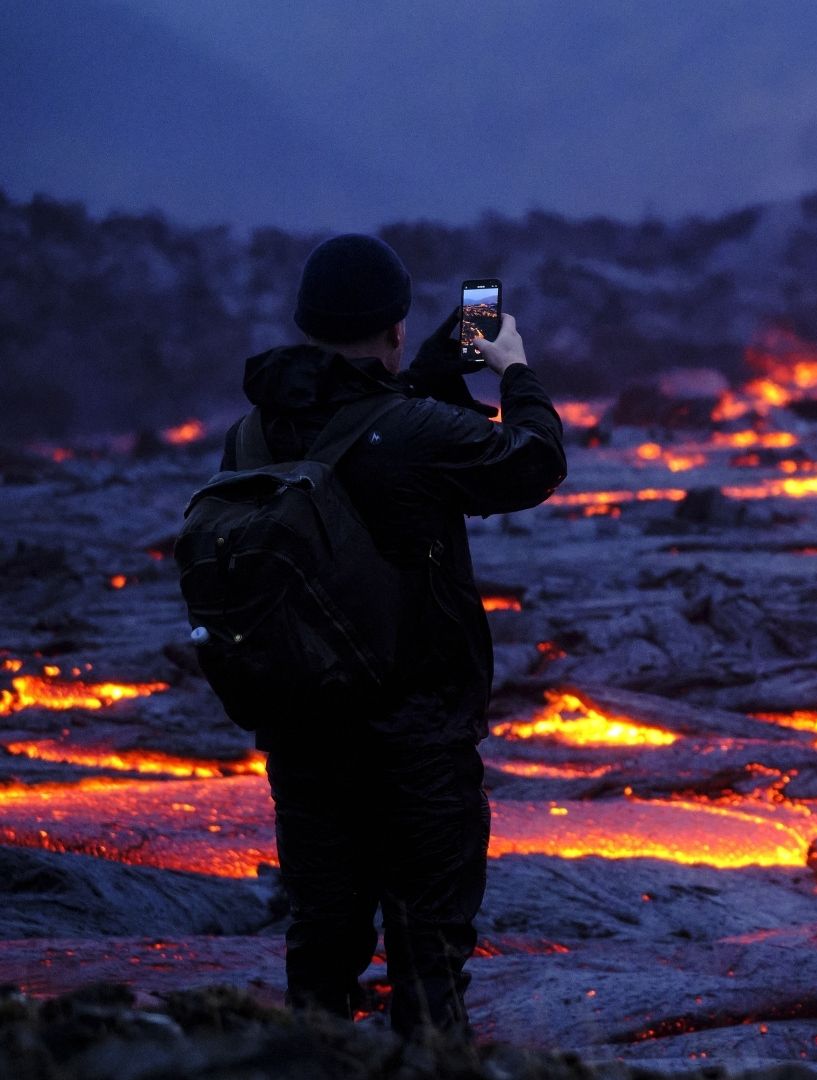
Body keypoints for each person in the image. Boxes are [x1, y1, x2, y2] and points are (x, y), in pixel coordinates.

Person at [219, 234, 567, 1039]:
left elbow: (357, 435)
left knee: (319, 956)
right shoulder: (412, 430)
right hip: (419, 745)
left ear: (307, 324)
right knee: (428, 969)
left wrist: (427, 386)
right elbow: (535, 462)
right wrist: (513, 368)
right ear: (396, 328)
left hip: (305, 741)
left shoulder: (253, 436)